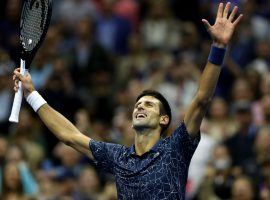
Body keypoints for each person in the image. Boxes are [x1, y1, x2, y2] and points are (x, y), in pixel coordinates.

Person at [12, 2, 243, 199]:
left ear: (164, 120)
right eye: (138, 105)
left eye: (149, 104)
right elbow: (69, 136)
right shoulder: (119, 157)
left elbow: (202, 99)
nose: (140, 106)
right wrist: (31, 93)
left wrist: (219, 47)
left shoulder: (176, 147)